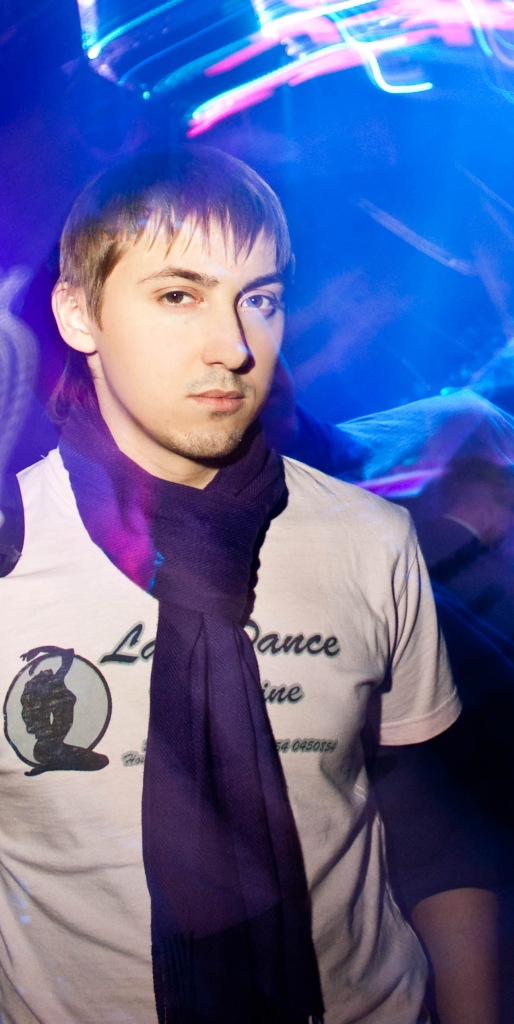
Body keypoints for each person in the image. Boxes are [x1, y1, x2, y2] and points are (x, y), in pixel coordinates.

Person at [0, 146, 463, 1024]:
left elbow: (428, 824)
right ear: (78, 314)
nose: (236, 347)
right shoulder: (12, 563)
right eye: (180, 296)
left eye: (261, 299)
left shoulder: (371, 541)